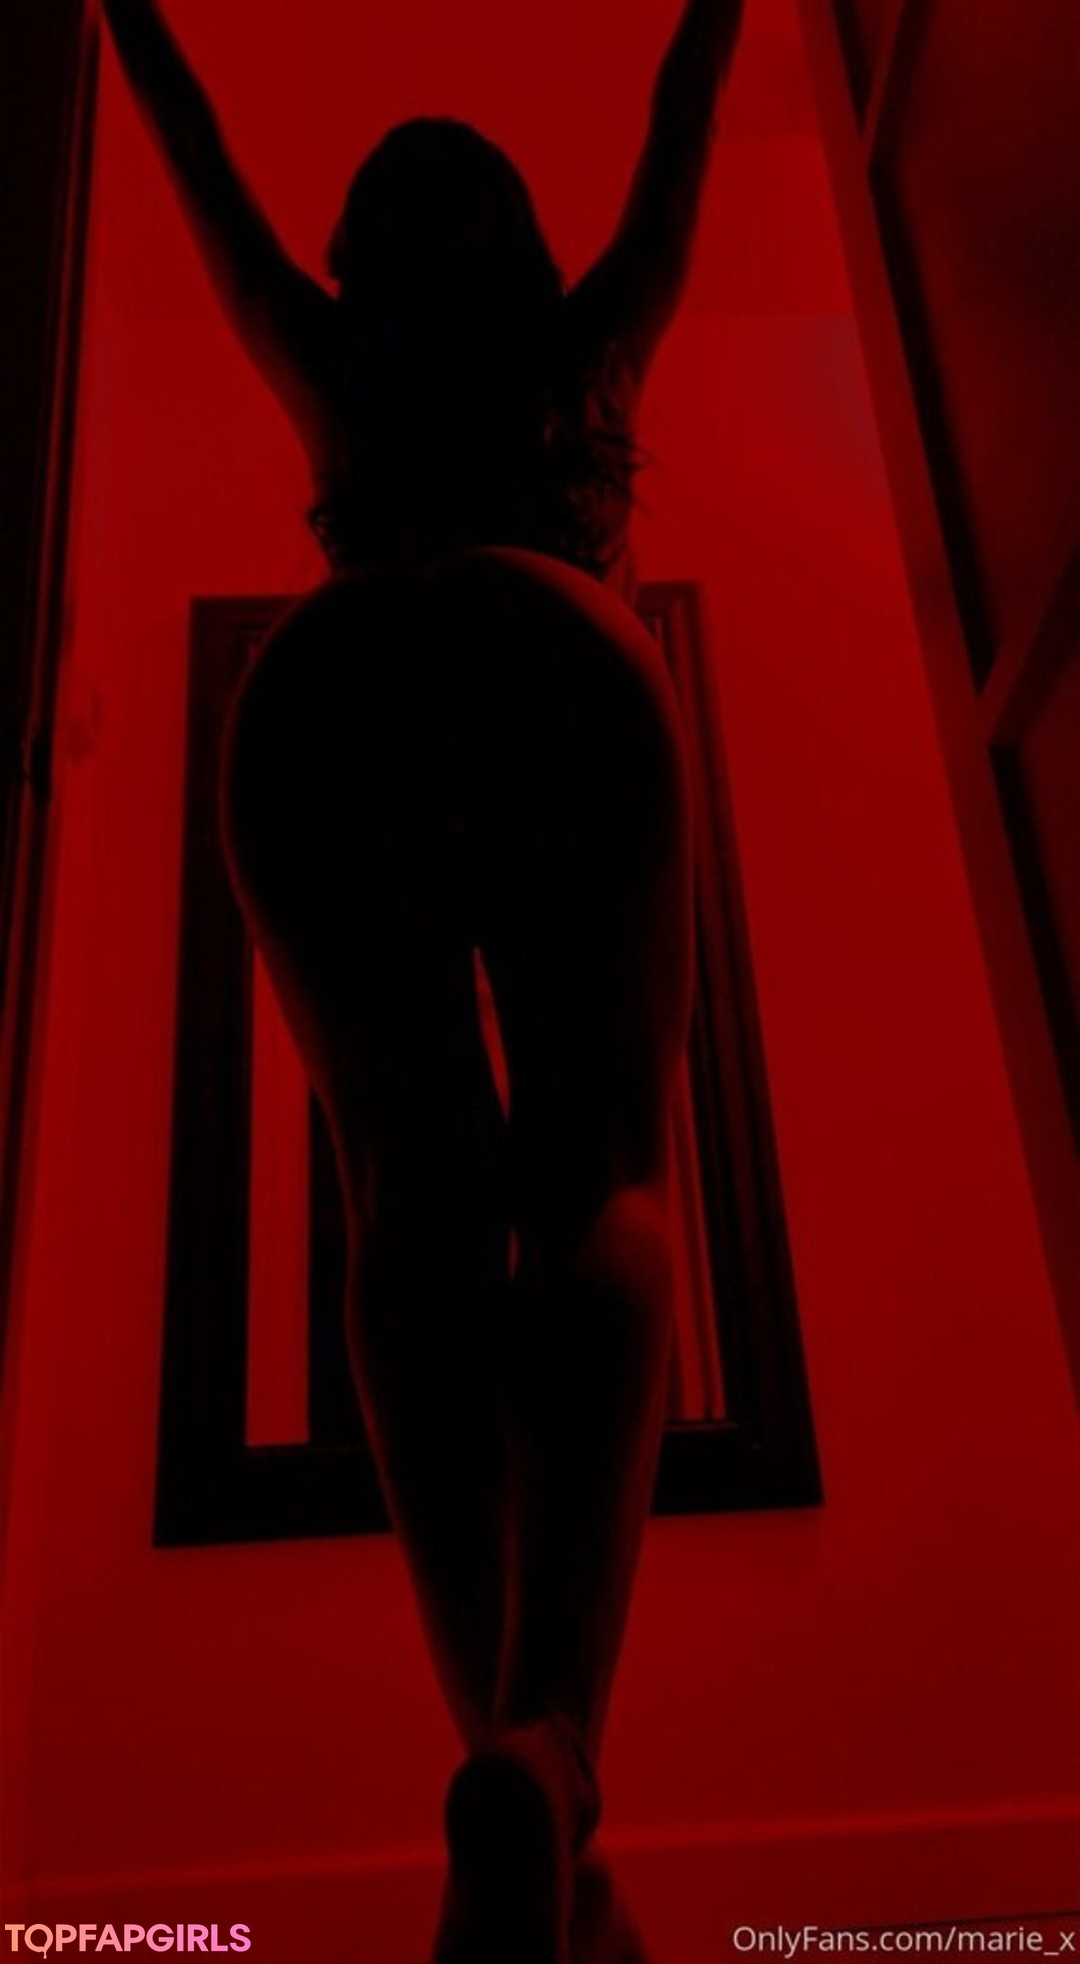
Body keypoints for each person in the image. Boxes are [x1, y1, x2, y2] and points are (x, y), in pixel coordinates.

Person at [99, 0, 746, 1956]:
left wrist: (126, 16)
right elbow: (684, 107)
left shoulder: (331, 358)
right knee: (605, 1172)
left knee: (409, 1192)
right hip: (560, 641)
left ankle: (504, 1744)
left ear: (366, 268)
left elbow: (200, 163)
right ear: (521, 257)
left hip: (327, 678)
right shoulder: (586, 353)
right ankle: (548, 1738)